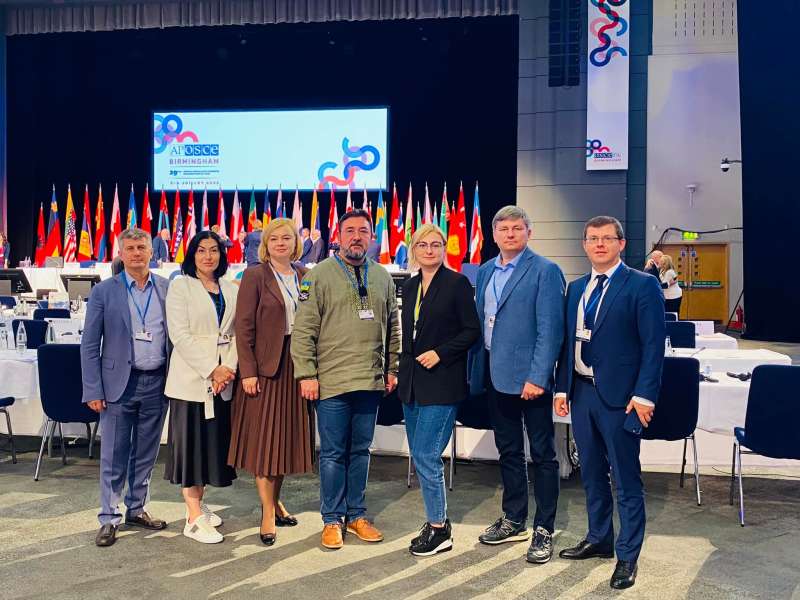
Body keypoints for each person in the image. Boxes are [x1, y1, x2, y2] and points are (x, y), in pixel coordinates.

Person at [554, 215, 665, 590]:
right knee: (591, 473)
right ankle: (599, 538)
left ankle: (627, 556)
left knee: (626, 478)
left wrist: (645, 394)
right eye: (592, 238)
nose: (599, 244)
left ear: (621, 243)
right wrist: (562, 389)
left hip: (622, 399)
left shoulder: (642, 285)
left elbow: (653, 346)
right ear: (584, 244)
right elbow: (568, 343)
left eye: (606, 238)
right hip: (582, 393)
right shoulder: (576, 288)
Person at [292, 209, 400, 550]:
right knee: (333, 453)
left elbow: (393, 328)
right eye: (350, 230)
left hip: (369, 380)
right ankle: (332, 519)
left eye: (363, 231)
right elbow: (304, 330)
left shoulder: (382, 276)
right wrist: (306, 373)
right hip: (331, 381)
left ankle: (356, 516)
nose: (356, 236)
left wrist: (392, 368)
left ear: (371, 236)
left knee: (361, 451)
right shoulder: (318, 275)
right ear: (338, 236)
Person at [467, 205, 565, 564]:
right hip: (496, 375)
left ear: (528, 233)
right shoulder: (486, 270)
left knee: (542, 455)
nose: (510, 234)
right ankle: (514, 518)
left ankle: (544, 528)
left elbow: (550, 330)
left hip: (530, 380)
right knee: (508, 451)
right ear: (494, 235)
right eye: (504, 229)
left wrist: (538, 376)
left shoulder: (545, 271)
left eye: (517, 228)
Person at [81, 227, 170, 547]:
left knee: (146, 454)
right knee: (114, 455)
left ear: (151, 252)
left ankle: (136, 508)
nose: (136, 253)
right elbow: (89, 344)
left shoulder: (166, 288)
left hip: (157, 382)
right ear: (120, 253)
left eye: (141, 247)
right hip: (118, 385)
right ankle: (109, 517)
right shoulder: (105, 291)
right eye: (129, 248)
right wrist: (93, 389)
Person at [228, 218, 314, 547]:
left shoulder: (305, 275)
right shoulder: (254, 276)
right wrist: (248, 371)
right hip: (265, 370)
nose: (281, 243)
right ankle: (267, 512)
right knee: (265, 445)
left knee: (284, 444)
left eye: (286, 238)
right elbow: (243, 327)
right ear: (266, 244)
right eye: (274, 238)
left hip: (297, 368)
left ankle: (275, 502)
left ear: (296, 243)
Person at [399, 224, 480, 556]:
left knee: (425, 455)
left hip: (442, 382)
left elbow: (471, 331)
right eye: (423, 245)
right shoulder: (410, 285)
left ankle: (439, 529)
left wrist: (441, 353)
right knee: (421, 457)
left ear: (444, 248)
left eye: (435, 244)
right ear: (413, 250)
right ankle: (436, 521)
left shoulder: (457, 283)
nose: (429, 250)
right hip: (412, 384)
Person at [163, 230, 239, 544]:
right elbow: (179, 335)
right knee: (191, 448)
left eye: (214, 250)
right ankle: (193, 518)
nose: (208, 256)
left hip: (222, 382)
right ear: (192, 254)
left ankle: (198, 504)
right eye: (201, 250)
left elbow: (236, 333)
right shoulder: (181, 286)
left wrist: (227, 369)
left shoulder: (230, 287)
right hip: (191, 381)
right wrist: (211, 369)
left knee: (210, 448)